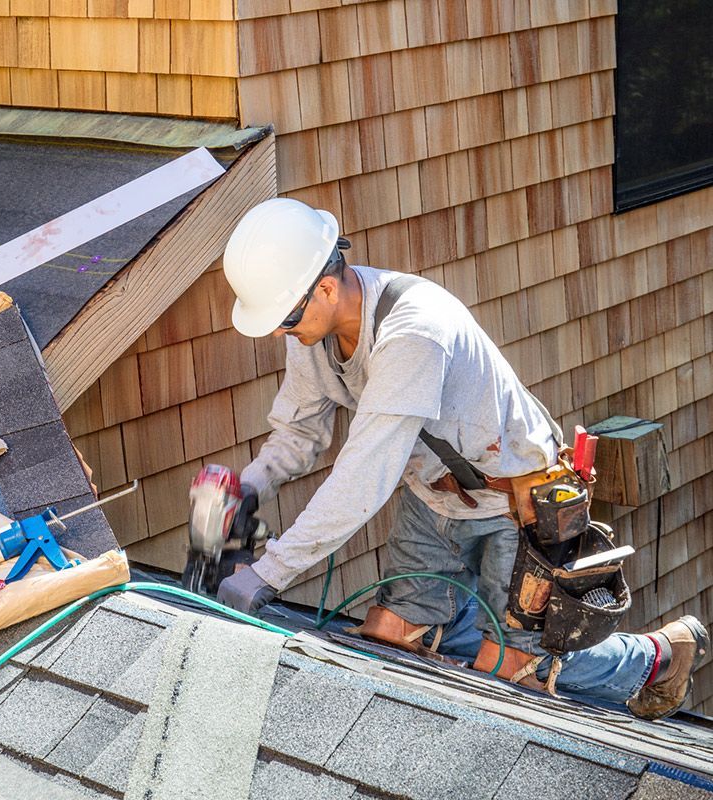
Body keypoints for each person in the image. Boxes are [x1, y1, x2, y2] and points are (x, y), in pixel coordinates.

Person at [214, 197, 709, 720]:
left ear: (327, 288)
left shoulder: (414, 334)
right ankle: (484, 627)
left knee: (516, 670)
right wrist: (246, 490)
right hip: (434, 501)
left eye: (284, 318)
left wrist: (268, 573)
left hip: (515, 504)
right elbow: (298, 432)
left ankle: (659, 654)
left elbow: (363, 478)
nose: (278, 332)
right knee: (393, 636)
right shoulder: (310, 331)